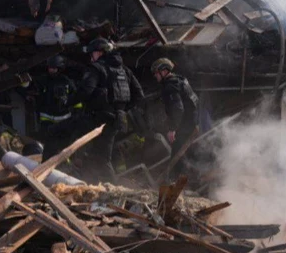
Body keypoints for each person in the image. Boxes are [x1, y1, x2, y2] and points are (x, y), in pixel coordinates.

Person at [43, 38, 143, 180]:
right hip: (116, 120)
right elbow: (139, 95)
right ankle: (112, 189)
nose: (91, 57)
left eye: (93, 53)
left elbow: (85, 91)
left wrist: (66, 101)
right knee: (102, 159)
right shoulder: (125, 70)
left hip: (95, 119)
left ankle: (45, 176)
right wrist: (121, 110)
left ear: (100, 52)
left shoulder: (96, 68)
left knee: (54, 132)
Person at [151, 58, 199, 175]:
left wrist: (172, 129)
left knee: (177, 158)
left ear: (164, 71)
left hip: (184, 126)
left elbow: (178, 109)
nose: (155, 76)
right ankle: (194, 180)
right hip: (192, 123)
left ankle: (177, 182)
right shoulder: (180, 80)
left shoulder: (170, 86)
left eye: (156, 73)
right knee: (188, 155)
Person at [24, 55, 81, 137]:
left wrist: (77, 112)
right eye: (50, 68)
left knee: (64, 140)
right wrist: (25, 82)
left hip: (64, 118)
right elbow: (31, 86)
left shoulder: (67, 81)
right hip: (46, 117)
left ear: (60, 68)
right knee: (47, 139)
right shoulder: (43, 80)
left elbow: (76, 97)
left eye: (54, 68)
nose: (51, 70)